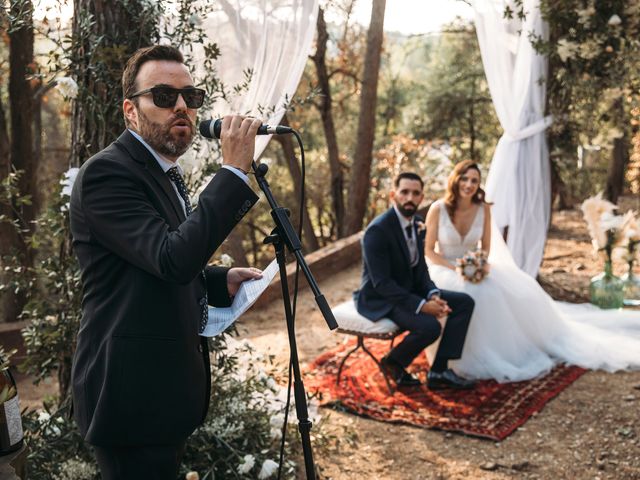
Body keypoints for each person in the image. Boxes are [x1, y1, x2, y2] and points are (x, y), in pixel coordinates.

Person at [69, 45, 264, 479]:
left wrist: (217, 281)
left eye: (190, 98)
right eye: (163, 96)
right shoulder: (107, 174)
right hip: (130, 399)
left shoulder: (161, 173)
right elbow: (171, 258)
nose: (181, 106)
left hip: (161, 396)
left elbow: (154, 264)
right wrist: (232, 173)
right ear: (130, 111)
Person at [425, 160, 640, 382]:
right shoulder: (438, 209)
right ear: (456, 179)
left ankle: (495, 353)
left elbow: (486, 247)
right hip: (443, 267)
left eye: (474, 181)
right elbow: (429, 251)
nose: (469, 184)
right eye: (465, 178)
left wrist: (478, 264)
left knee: (494, 293)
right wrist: (456, 269)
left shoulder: (483, 209)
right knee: (460, 294)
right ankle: (446, 359)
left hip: (473, 267)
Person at [354, 172, 476, 389]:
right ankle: (392, 362)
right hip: (381, 297)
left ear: (421, 197)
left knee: (465, 302)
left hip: (407, 290)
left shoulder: (418, 223)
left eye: (415, 193)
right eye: (405, 192)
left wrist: (433, 295)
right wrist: (421, 306)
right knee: (429, 326)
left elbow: (420, 270)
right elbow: (381, 283)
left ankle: (438, 371)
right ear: (394, 195)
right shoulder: (377, 231)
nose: (410, 197)